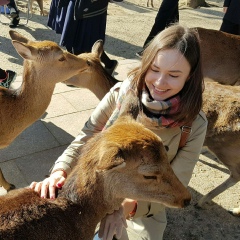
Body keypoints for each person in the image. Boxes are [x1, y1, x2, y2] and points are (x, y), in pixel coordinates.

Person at [30, 24, 207, 240]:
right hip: (96, 192)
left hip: (140, 210)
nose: (159, 83)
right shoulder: (122, 93)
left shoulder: (194, 125)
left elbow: (175, 182)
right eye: (154, 69)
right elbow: (87, 136)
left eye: (173, 75)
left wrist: (124, 208)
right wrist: (59, 171)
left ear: (189, 76)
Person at [47, 0, 118, 75]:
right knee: (72, 37)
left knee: (83, 40)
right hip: (77, 4)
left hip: (90, 7)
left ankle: (79, 72)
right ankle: (107, 64)